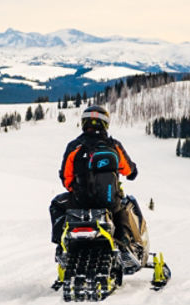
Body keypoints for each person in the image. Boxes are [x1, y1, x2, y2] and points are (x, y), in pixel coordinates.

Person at [49, 105, 143, 267]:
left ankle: (61, 244)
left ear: (84, 123)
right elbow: (129, 170)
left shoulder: (74, 147)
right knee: (124, 208)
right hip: (109, 201)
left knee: (56, 205)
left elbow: (66, 178)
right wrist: (132, 171)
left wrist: (77, 191)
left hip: (79, 203)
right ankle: (124, 242)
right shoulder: (113, 145)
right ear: (105, 124)